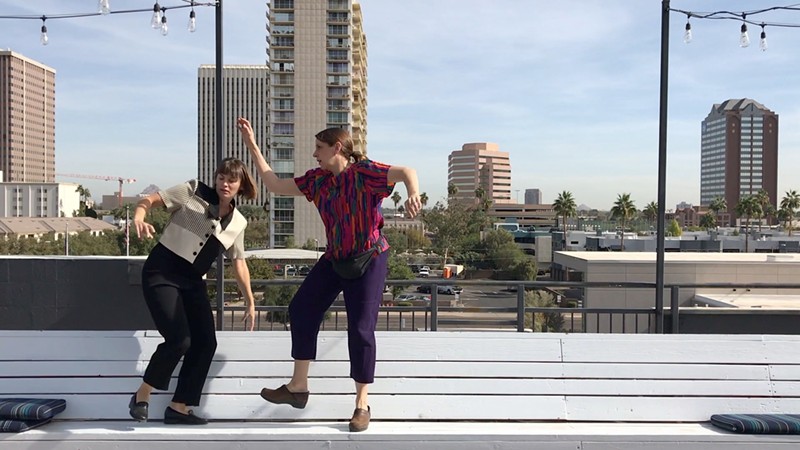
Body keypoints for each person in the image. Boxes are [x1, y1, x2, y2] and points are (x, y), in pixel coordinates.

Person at [237, 117, 421, 432]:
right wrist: (252, 144)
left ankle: (362, 405)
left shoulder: (365, 173)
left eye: (319, 148)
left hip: (370, 258)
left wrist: (414, 193)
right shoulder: (317, 180)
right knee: (301, 309)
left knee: (361, 330)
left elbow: (406, 172)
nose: (314, 154)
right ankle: (298, 388)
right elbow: (274, 184)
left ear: (337, 148)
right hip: (336, 257)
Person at [128, 157, 258, 425]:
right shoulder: (193, 191)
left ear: (240, 185)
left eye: (232, 180)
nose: (225, 183)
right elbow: (149, 201)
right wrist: (139, 217)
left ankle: (179, 406)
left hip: (192, 281)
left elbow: (239, 261)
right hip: (162, 272)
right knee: (180, 340)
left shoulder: (238, 223)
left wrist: (250, 300)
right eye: (221, 177)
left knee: (206, 343)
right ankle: (143, 394)